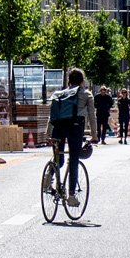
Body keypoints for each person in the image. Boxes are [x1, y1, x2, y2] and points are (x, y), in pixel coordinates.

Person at [48, 69, 89, 206]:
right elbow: (92, 116)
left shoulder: (60, 95)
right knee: (73, 160)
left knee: (58, 159)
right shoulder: (86, 94)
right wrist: (94, 134)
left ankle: (48, 178)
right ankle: (71, 195)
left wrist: (48, 133)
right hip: (75, 128)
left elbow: (52, 115)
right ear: (82, 81)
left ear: (69, 81)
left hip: (58, 129)